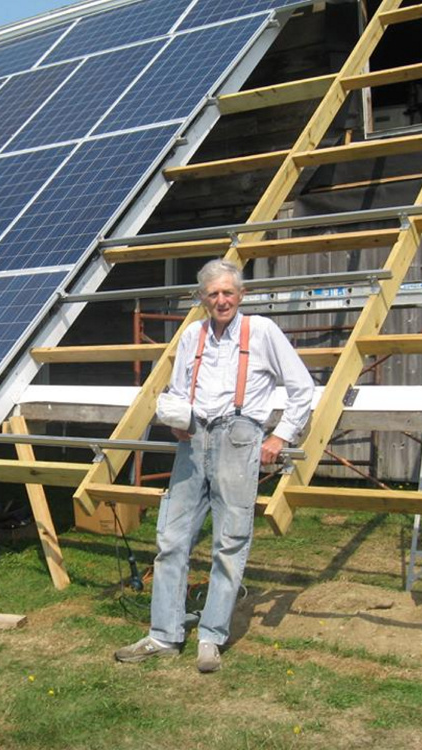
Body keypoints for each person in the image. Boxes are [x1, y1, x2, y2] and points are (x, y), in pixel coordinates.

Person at [115, 259, 314, 673]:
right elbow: (178, 387)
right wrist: (178, 420)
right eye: (212, 294)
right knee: (172, 537)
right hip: (194, 440)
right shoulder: (192, 335)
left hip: (240, 439)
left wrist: (281, 436)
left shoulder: (261, 331)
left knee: (230, 540)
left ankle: (211, 637)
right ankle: (163, 634)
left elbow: (302, 388)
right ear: (202, 299)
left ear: (240, 295)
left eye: (228, 292)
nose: (221, 300)